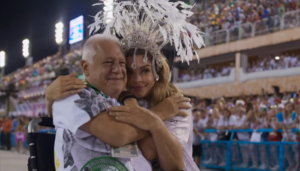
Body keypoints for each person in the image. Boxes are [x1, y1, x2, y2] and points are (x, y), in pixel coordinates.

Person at [47, 35, 193, 171]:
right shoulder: (74, 94)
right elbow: (119, 135)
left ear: (157, 73)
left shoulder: (174, 104)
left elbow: (161, 158)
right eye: (130, 72)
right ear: (85, 68)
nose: (137, 79)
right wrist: (157, 115)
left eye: (145, 71)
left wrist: (131, 102)